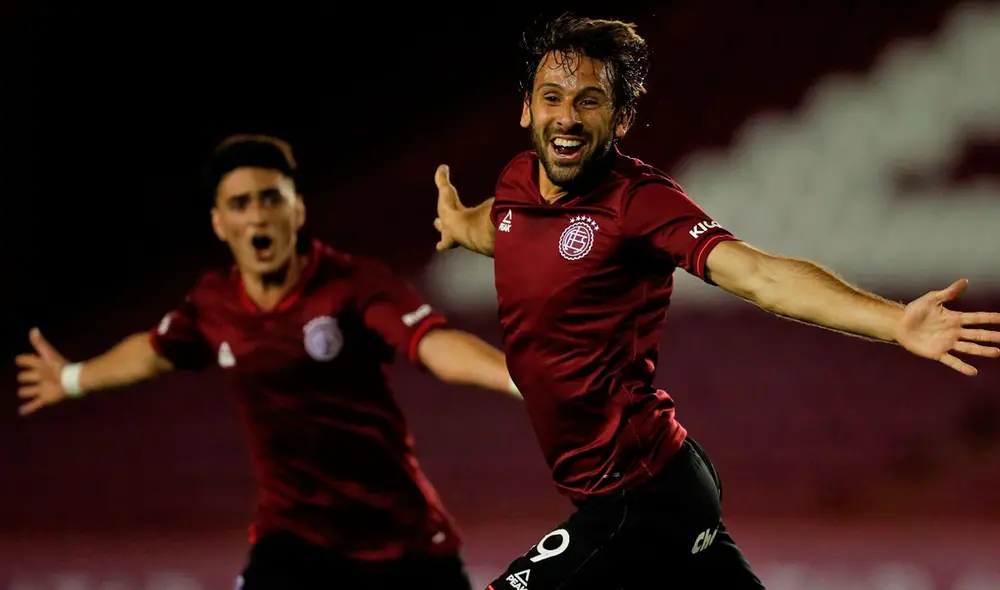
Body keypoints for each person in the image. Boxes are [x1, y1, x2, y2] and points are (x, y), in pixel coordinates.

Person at [432, 13, 1000, 590]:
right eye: (552, 97)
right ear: (527, 109)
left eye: (590, 101)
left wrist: (894, 320)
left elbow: (759, 275)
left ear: (622, 118)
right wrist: (460, 223)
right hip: (662, 485)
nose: (568, 117)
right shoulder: (516, 182)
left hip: (640, 495)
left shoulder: (638, 202)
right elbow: (498, 227)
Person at [16, 134, 521, 590]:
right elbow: (153, 352)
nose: (258, 216)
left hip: (402, 540)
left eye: (270, 198)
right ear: (219, 221)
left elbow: (434, 345)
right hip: (294, 539)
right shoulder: (214, 303)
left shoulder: (352, 283)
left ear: (297, 210)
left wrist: (517, 377)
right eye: (240, 204)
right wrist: (73, 377)